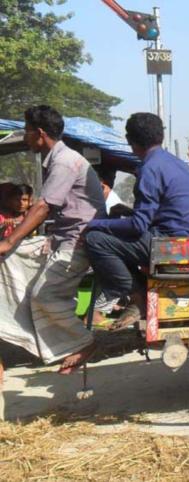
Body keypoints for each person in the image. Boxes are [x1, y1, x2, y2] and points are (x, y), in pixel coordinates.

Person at [0, 105, 105, 374]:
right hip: (62, 237)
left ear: (40, 133)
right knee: (8, 263)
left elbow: (43, 206)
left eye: (27, 131)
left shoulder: (65, 161)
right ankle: (25, 336)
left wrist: (11, 240)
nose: (25, 136)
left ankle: (83, 342)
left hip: (78, 242)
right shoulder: (55, 159)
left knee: (42, 295)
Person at [85, 113, 189, 330]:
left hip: (170, 244)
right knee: (117, 237)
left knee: (96, 240)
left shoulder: (149, 168)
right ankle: (139, 293)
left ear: (132, 142)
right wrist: (127, 212)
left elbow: (138, 226)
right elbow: (165, 212)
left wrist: (95, 224)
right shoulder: (178, 164)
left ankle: (137, 296)